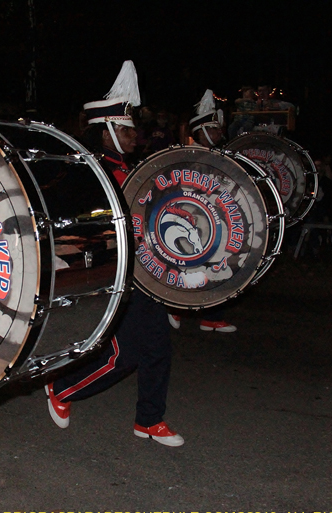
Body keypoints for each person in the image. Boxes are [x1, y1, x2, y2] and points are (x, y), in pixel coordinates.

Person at [44, 61, 184, 447]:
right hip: (115, 273)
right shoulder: (87, 172)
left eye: (131, 127)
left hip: (143, 273)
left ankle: (149, 419)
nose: (133, 134)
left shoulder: (127, 167)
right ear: (105, 131)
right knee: (124, 354)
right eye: (124, 128)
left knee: (158, 347)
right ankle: (62, 388)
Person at [169, 90, 237, 333]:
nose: (220, 133)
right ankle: (175, 306)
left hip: (214, 224)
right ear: (201, 131)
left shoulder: (217, 156)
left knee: (216, 269)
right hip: (192, 224)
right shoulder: (186, 156)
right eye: (214, 129)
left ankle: (209, 316)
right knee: (190, 269)